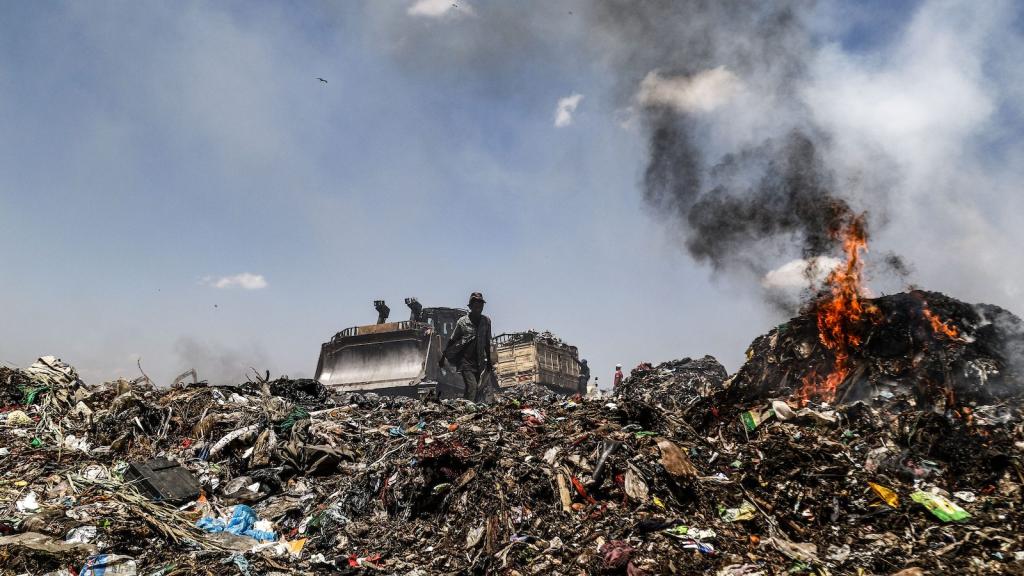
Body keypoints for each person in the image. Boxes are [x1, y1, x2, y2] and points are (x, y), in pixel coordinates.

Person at [440, 292, 493, 402]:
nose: (479, 308)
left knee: (476, 388)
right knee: (472, 386)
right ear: (471, 306)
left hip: (479, 361)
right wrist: (443, 356)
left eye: (481, 305)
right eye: (476, 305)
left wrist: (489, 361)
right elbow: (452, 340)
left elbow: (487, 342)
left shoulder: (486, 321)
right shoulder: (462, 322)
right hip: (465, 361)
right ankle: (469, 408)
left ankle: (465, 407)